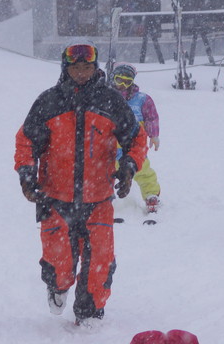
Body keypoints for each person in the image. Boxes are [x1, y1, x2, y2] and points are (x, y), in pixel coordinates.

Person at [14, 41, 148, 327]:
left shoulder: (111, 100)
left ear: (95, 67)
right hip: (55, 200)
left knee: (100, 263)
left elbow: (136, 138)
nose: (82, 72)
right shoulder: (48, 101)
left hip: (98, 200)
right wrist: (27, 175)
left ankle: (89, 313)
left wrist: (128, 167)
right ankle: (58, 287)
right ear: (66, 67)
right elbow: (26, 140)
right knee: (60, 267)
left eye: (87, 66)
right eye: (76, 66)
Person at [110, 62, 162, 214]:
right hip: (110, 149)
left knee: (144, 172)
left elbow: (151, 118)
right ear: (113, 79)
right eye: (119, 80)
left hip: (134, 150)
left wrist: (154, 135)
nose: (123, 85)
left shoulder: (142, 100)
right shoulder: (106, 97)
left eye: (127, 82)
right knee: (104, 174)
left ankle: (151, 195)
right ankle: (104, 199)